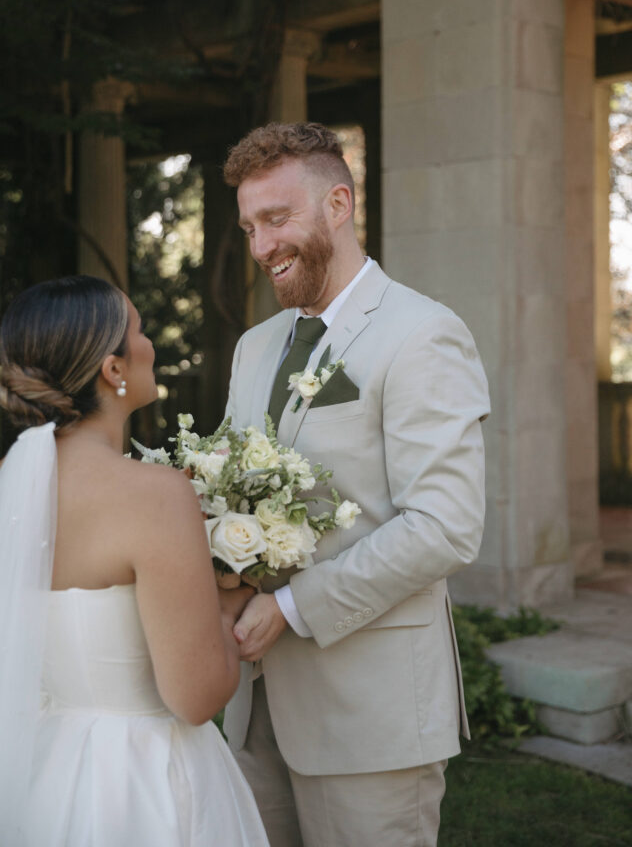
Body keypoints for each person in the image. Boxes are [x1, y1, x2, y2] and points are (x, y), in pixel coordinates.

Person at [222, 122, 491, 847]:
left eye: (276, 219)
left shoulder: (420, 333)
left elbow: (443, 525)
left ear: (338, 205)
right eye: (249, 226)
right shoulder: (253, 348)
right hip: (253, 706)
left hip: (369, 716)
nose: (260, 247)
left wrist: (290, 606)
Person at [0, 275, 269, 847]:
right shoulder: (154, 494)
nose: (150, 344)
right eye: (140, 330)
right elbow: (195, 698)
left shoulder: (12, 491)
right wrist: (235, 596)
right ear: (114, 370)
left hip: (51, 776)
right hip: (148, 781)